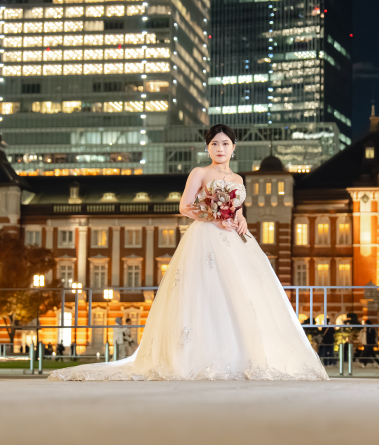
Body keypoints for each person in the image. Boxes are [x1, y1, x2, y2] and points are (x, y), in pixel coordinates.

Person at [49, 124, 328, 382]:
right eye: (214, 144)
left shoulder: (238, 178)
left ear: (234, 147)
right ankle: (198, 356)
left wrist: (241, 218)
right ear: (208, 148)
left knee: (241, 295)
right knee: (205, 292)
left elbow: (238, 208)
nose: (220, 148)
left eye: (225, 143)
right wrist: (214, 216)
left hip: (234, 237)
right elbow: (184, 206)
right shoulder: (199, 173)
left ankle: (243, 355)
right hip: (207, 235)